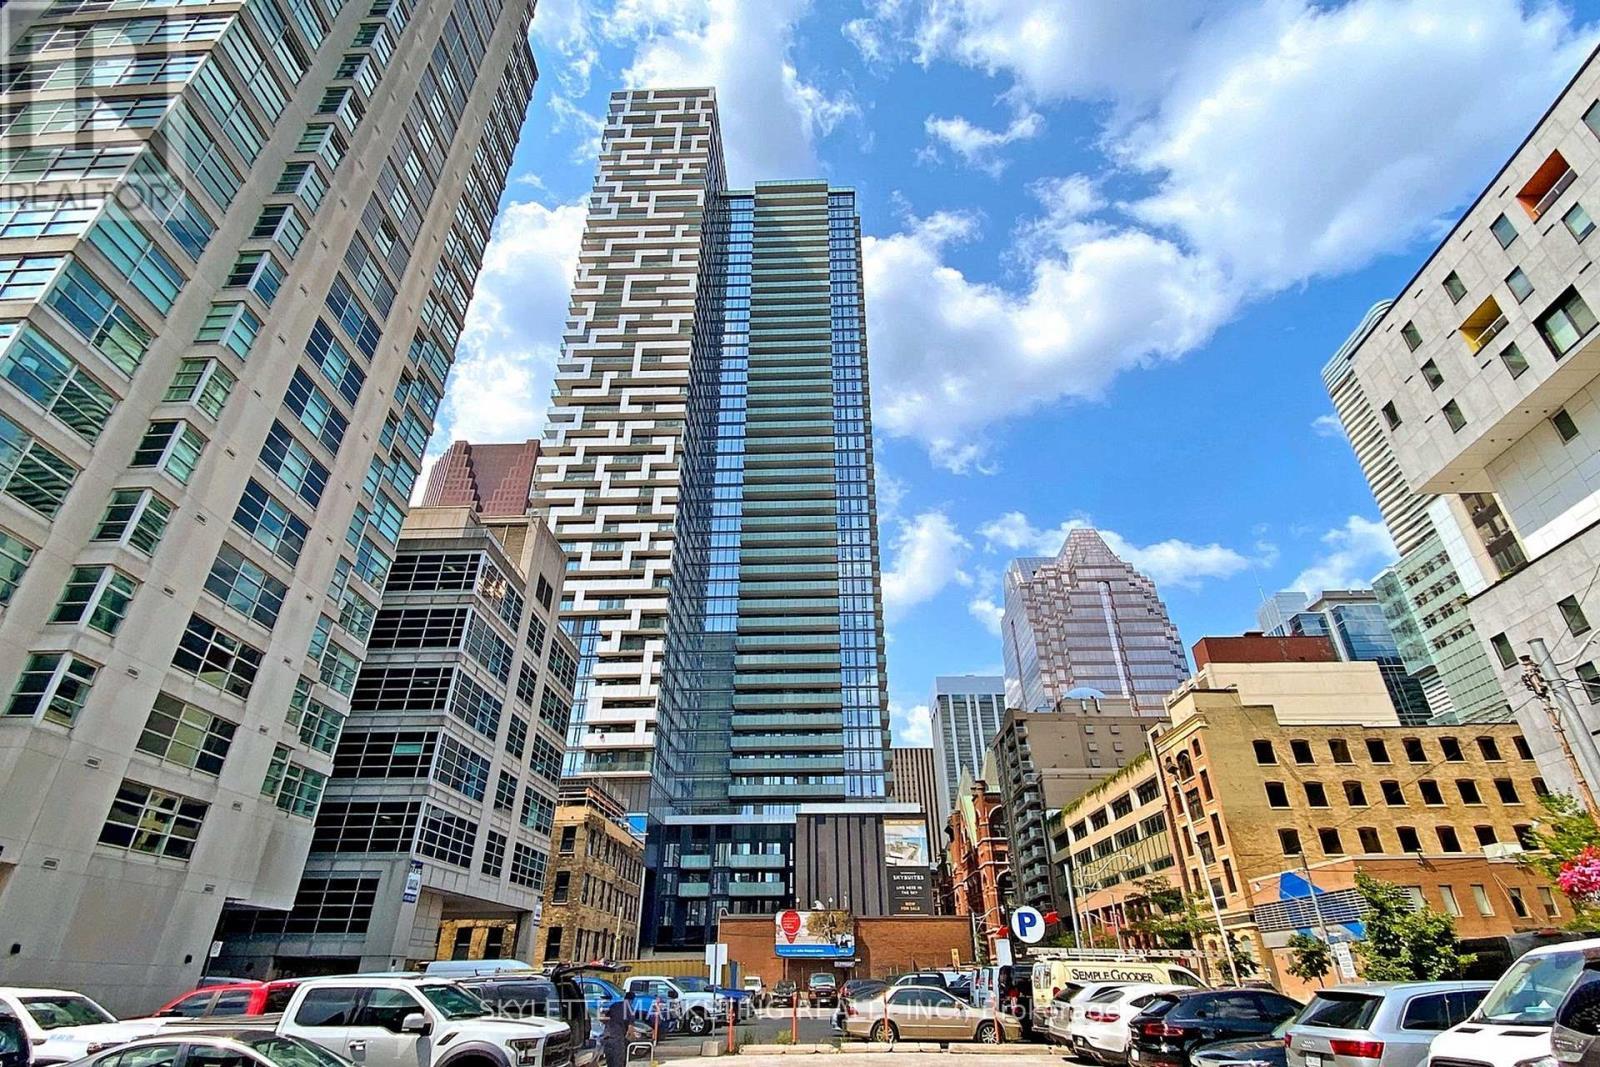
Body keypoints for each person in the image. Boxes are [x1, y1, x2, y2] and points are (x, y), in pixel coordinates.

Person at [601, 995, 630, 1067]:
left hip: (608, 1037)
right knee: (618, 1062)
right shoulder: (628, 1009)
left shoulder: (614, 1006)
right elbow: (631, 1028)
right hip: (618, 1039)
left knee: (610, 1061)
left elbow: (602, 1019)